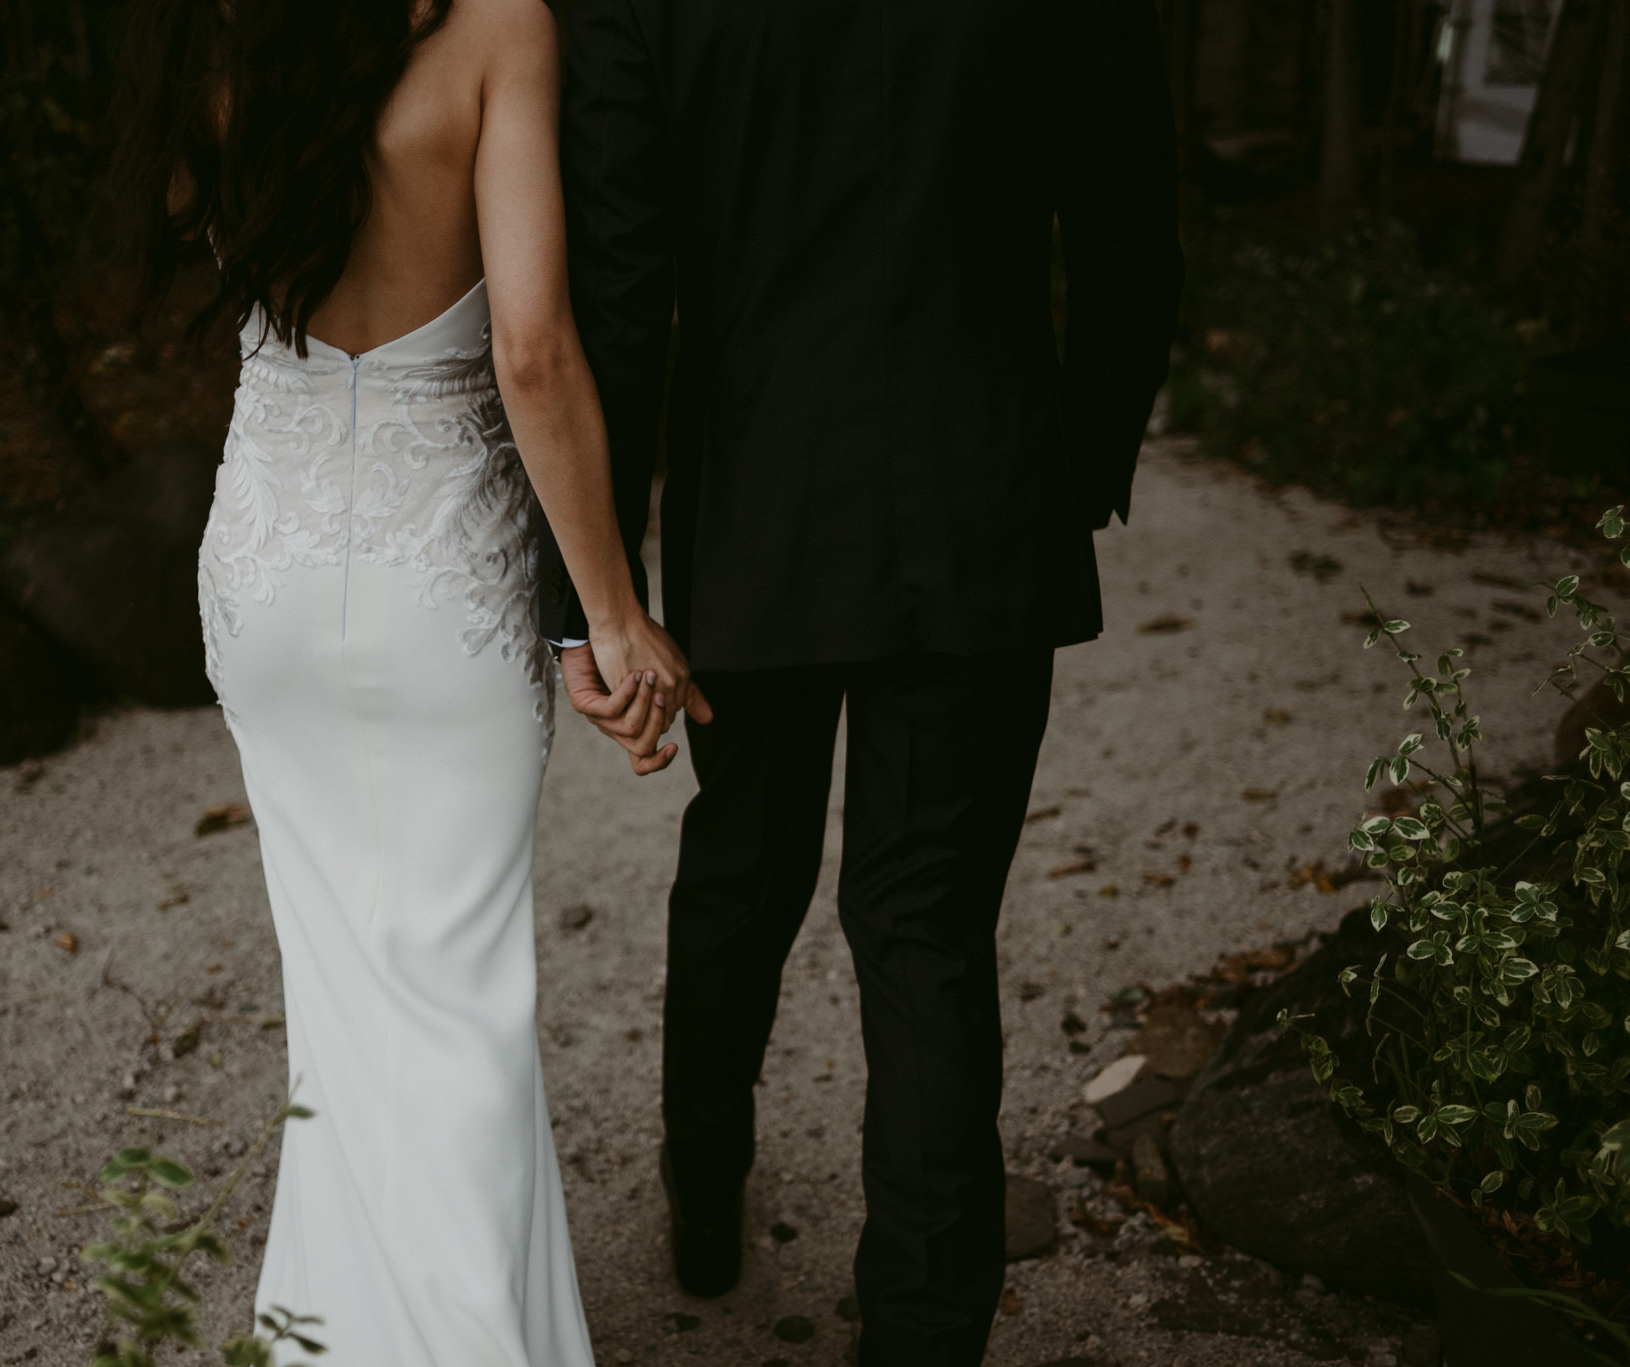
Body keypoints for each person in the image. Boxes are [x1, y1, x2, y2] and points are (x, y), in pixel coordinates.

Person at [543, 3, 1185, 1364]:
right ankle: (923, 1329)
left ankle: (704, 1198)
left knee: (741, 866)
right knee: (927, 921)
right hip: (984, 495)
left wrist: (593, 584)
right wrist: (1071, 463)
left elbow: (616, 278)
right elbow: (1131, 220)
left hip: (762, 506)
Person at [110, 1, 703, 1363]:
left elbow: (197, 217)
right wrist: (608, 613)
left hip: (266, 561)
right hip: (439, 581)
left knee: (343, 1001)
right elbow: (534, 349)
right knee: (459, 998)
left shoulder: (212, 39)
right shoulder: (502, 32)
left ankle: (338, 1337)